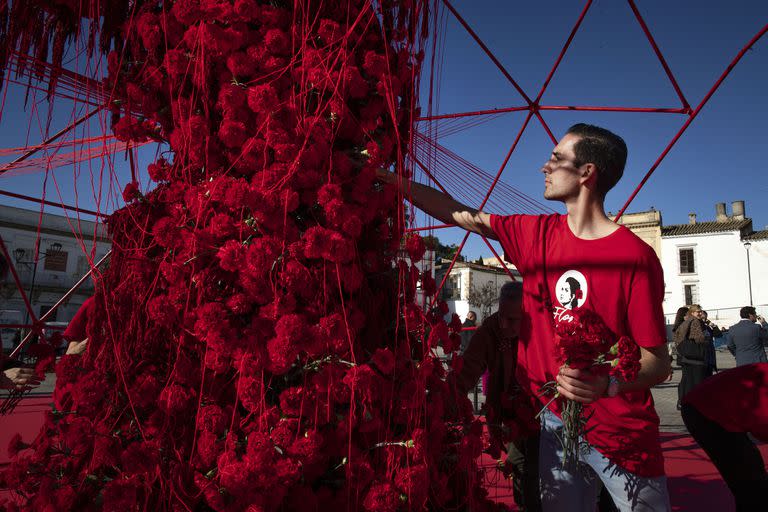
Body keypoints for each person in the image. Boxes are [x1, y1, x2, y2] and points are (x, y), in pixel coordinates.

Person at [381, 123, 671, 511]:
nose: (544, 167)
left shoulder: (634, 257)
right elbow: (459, 214)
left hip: (621, 432)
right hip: (555, 424)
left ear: (587, 173)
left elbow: (657, 362)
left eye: (555, 158)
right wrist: (389, 180)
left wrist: (608, 384)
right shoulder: (534, 233)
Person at [453, 282, 541, 512]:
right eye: (501, 316)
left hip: (543, 412)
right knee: (522, 468)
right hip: (509, 415)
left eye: (512, 320)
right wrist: (448, 397)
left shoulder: (541, 328)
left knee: (538, 467)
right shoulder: (490, 329)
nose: (505, 324)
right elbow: (468, 368)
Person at [681, 363, 768, 511]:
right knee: (750, 483)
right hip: (704, 411)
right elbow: (762, 428)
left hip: (720, 404)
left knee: (753, 472)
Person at [674, 304, 714, 409]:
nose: (700, 313)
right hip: (696, 357)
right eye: (698, 312)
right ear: (692, 313)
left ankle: (685, 403)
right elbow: (699, 338)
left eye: (700, 311)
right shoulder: (695, 322)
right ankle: (696, 405)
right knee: (697, 383)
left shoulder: (685, 323)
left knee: (687, 381)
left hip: (686, 357)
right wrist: (706, 338)